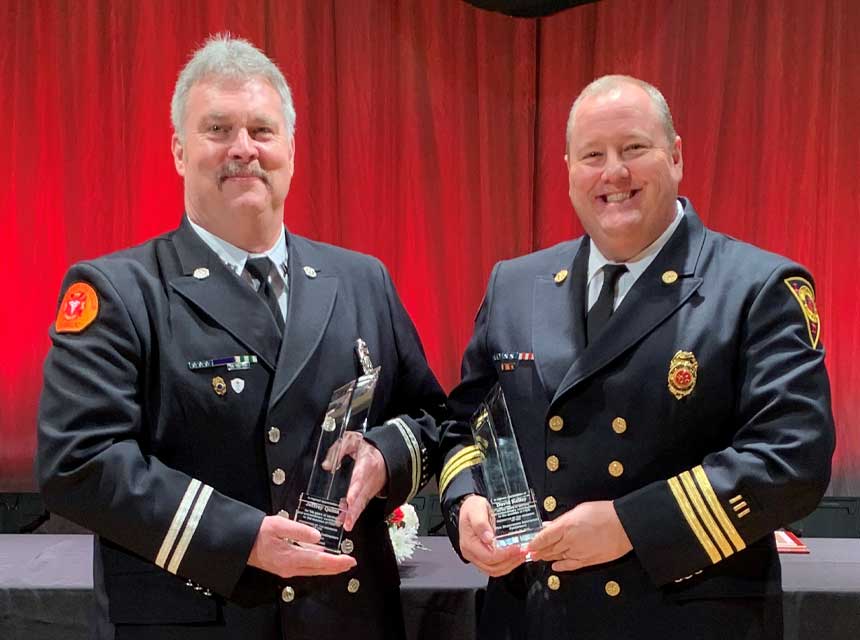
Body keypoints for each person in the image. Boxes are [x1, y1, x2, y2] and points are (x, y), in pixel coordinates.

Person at [37, 34, 445, 640]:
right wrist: (240, 538)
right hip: (200, 616)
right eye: (218, 130)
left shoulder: (362, 279)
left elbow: (433, 416)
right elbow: (79, 460)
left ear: (291, 149)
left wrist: (387, 453)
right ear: (179, 151)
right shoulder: (119, 291)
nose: (243, 149)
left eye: (262, 130)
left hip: (349, 616)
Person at [438, 75, 835, 640]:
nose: (613, 173)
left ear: (675, 157)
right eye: (593, 155)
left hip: (684, 617)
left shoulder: (758, 287)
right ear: (569, 169)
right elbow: (464, 425)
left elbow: (792, 461)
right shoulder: (516, 284)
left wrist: (630, 525)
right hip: (530, 617)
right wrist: (467, 501)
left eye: (634, 149)